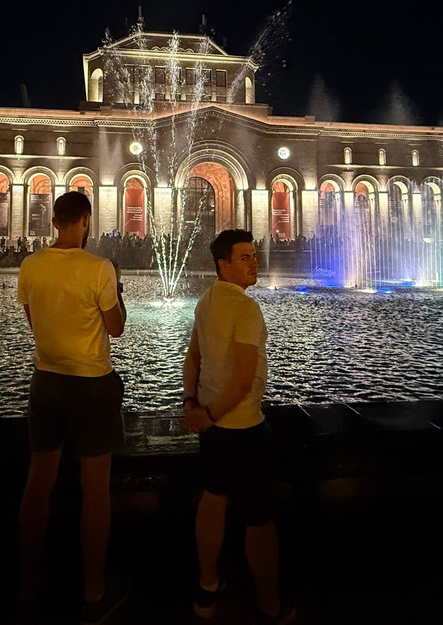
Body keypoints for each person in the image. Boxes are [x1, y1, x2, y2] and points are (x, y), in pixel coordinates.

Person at [15, 190, 130, 625]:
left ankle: (28, 587)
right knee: (95, 490)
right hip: (91, 386)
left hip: (46, 382)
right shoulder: (99, 268)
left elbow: (33, 321)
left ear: (54, 221)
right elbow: (116, 328)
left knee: (37, 483)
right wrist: (117, 289)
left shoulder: (30, 265)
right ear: (83, 221)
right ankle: (94, 592)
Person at [182, 229, 295, 624]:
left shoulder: (205, 301)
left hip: (213, 432)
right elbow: (245, 379)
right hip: (245, 428)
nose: (254, 262)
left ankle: (207, 588)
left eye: (253, 255)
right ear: (223, 265)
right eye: (244, 257)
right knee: (260, 522)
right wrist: (210, 415)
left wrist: (193, 406)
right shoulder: (246, 309)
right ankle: (270, 605)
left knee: (212, 502)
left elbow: (191, 360)